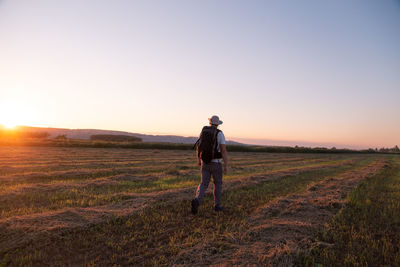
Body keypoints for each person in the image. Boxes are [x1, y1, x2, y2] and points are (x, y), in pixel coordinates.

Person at [191, 115, 228, 214]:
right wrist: (226, 165)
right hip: (216, 163)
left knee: (203, 184)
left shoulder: (203, 132)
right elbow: (223, 150)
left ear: (210, 123)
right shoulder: (219, 134)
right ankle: (217, 205)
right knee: (218, 184)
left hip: (205, 162)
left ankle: (197, 200)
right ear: (218, 124)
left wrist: (199, 159)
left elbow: (199, 146)